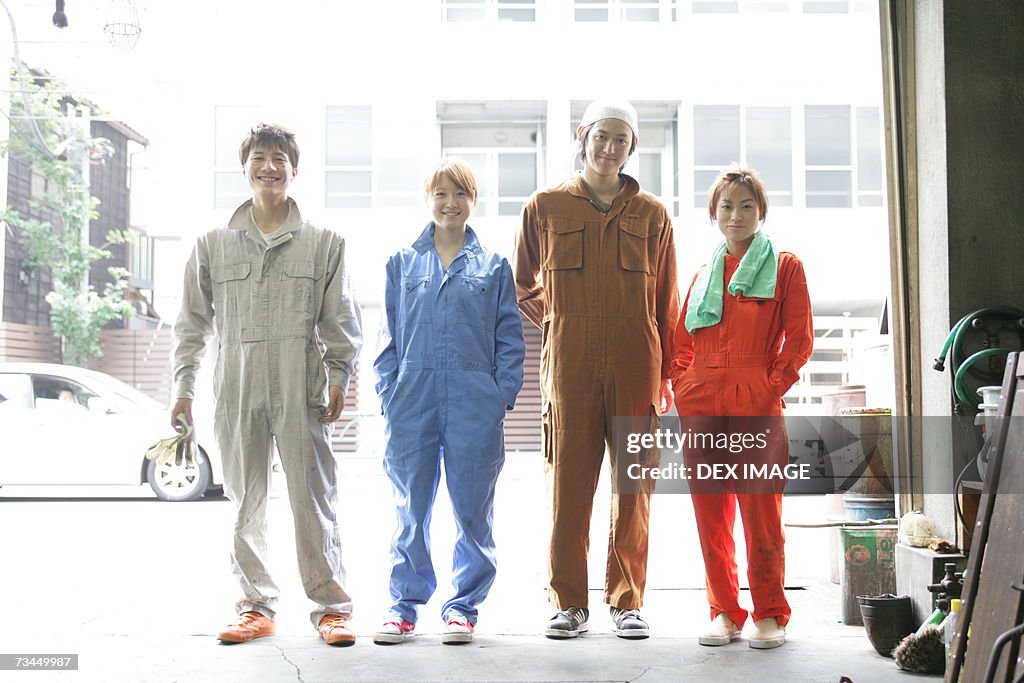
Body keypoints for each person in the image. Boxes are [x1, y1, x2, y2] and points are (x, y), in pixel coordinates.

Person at [171, 123, 362, 646]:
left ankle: (331, 607)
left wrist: (341, 376)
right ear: (246, 168)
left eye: (280, 158)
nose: (270, 166)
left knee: (312, 500)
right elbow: (190, 325)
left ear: (294, 170)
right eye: (260, 157)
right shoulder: (212, 245)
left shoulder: (325, 243)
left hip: (302, 389)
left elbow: (340, 323)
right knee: (243, 501)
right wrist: (183, 390)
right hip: (237, 389)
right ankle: (254, 606)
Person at [513, 100, 679, 639]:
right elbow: (522, 284)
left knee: (633, 487)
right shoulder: (545, 205)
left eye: (621, 140)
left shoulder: (652, 214)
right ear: (583, 136)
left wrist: (666, 374)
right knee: (569, 484)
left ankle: (626, 600)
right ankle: (569, 603)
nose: (610, 148)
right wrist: (561, 319)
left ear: (633, 148)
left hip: (637, 360)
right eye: (601, 136)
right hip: (571, 364)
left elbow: (667, 300)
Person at [373, 159, 525, 646]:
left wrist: (500, 396)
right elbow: (386, 339)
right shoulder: (402, 262)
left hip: (473, 402)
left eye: (460, 194)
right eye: (441, 194)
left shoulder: (494, 266)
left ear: (472, 201)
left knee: (471, 510)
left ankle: (462, 607)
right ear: (428, 200)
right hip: (412, 401)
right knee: (411, 509)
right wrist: (388, 394)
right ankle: (403, 607)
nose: (450, 203)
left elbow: (509, 337)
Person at [670, 168, 813, 650]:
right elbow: (680, 345)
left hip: (755, 397)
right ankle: (724, 611)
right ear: (714, 214)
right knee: (710, 513)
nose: (736, 215)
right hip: (701, 401)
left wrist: (770, 385)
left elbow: (799, 339)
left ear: (761, 211)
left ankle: (770, 612)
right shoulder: (702, 275)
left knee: (760, 511)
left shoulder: (786, 268)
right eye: (726, 206)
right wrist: (685, 383)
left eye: (746, 205)